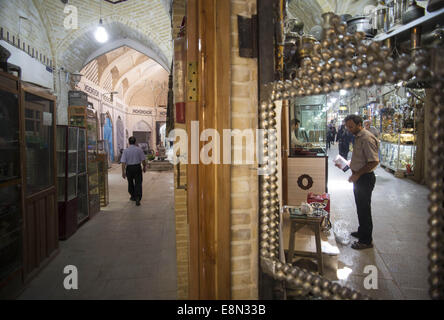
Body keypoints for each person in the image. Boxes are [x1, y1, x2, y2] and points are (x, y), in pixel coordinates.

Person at [343, 115, 379, 250]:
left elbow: (374, 161)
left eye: (351, 126)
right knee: (360, 207)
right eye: (347, 126)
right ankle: (361, 231)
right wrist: (347, 165)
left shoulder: (366, 138)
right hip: (359, 177)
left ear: (359, 125)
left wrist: (358, 174)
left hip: (365, 178)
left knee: (364, 209)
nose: (348, 129)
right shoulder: (358, 137)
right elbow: (360, 158)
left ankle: (366, 241)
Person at [120, 136, 147, 206]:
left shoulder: (125, 151)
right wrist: (144, 167)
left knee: (130, 183)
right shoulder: (139, 150)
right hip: (137, 167)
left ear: (128, 142)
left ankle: (133, 196)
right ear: (135, 142)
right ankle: (137, 197)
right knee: (138, 183)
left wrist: (123, 172)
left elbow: (123, 162)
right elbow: (143, 160)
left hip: (129, 168)